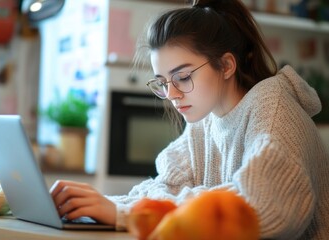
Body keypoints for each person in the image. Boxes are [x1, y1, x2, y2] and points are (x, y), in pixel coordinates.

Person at [50, 0, 329, 238]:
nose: (171, 94)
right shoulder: (205, 122)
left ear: (227, 65)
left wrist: (125, 212)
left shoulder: (273, 106)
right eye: (162, 82)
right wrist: (102, 205)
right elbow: (166, 187)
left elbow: (261, 205)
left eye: (183, 77)